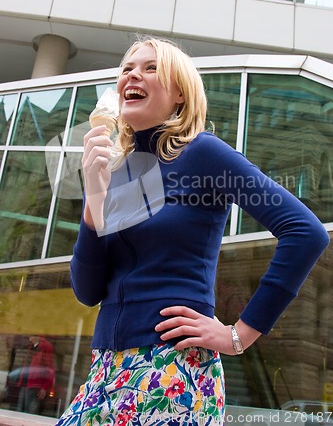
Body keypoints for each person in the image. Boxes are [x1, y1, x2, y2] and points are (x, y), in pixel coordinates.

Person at [56, 37, 329, 425]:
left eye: (151, 68)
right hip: (105, 370)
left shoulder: (203, 153)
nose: (133, 74)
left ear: (180, 95)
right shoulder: (112, 173)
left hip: (170, 370)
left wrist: (239, 335)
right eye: (128, 69)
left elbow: (306, 232)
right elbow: (87, 292)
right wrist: (93, 200)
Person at [17, 335, 55, 415]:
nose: (29, 336)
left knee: (30, 411)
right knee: (20, 409)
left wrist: (45, 387)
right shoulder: (31, 346)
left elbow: (49, 369)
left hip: (35, 385)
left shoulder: (45, 346)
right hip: (25, 382)